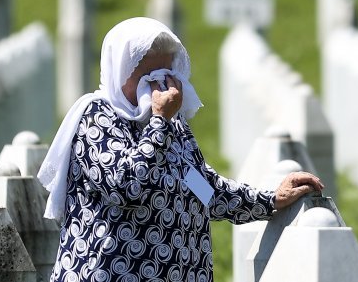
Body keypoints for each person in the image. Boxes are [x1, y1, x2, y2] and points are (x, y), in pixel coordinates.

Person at [38, 17, 324, 282]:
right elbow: (125, 187)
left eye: (164, 73)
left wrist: (271, 199)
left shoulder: (172, 126)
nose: (158, 85)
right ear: (120, 73)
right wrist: (159, 122)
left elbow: (205, 191)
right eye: (146, 74)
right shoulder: (97, 117)